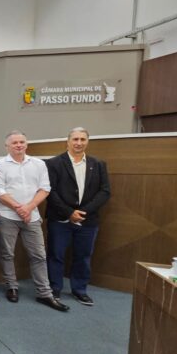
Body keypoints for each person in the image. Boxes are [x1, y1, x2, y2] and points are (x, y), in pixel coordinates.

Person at [0, 131, 69, 312]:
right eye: (14, 143)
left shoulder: (38, 164)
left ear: (26, 144)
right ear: (7, 146)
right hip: (7, 216)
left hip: (31, 217)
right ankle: (11, 286)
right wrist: (19, 208)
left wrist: (29, 207)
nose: (19, 145)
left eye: (22, 142)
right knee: (7, 253)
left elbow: (45, 188)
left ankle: (44, 293)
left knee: (39, 255)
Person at [46, 127, 111, 306]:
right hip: (60, 219)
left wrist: (83, 212)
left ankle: (80, 290)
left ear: (87, 142)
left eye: (83, 139)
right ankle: (54, 289)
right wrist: (69, 212)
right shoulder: (53, 163)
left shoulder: (98, 164)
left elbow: (105, 191)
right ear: (68, 141)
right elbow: (50, 191)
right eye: (75, 139)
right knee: (56, 255)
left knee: (83, 256)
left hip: (87, 220)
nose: (79, 143)